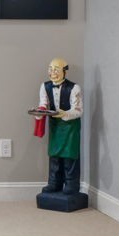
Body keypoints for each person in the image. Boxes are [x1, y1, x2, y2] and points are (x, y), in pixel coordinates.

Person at [29, 58, 85, 207]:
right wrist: (40, 112)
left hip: (70, 126)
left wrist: (64, 114)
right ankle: (54, 183)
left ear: (64, 71)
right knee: (54, 156)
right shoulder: (45, 86)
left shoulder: (74, 88)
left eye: (56, 69)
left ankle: (71, 185)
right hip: (55, 125)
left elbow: (78, 110)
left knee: (69, 156)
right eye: (50, 69)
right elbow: (44, 104)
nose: (52, 72)